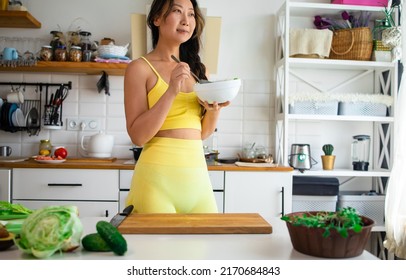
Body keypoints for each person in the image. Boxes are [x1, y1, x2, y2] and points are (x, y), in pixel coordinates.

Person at [124, 0, 230, 213]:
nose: (186, 20)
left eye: (191, 14)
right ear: (156, 19)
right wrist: (171, 90)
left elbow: (202, 133)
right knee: (159, 247)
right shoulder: (139, 68)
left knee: (204, 246)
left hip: (197, 181)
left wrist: (214, 110)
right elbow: (138, 136)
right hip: (156, 182)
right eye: (177, 11)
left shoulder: (199, 71)